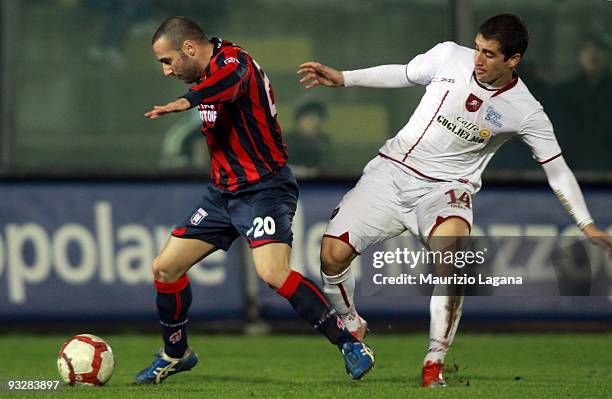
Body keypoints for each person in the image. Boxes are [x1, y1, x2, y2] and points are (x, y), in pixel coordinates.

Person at [297, 13, 612, 387]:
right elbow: (404, 73)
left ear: (513, 60)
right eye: (478, 48)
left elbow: (557, 168)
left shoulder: (526, 110)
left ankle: (434, 363)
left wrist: (586, 223)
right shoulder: (449, 56)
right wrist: (345, 78)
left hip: (445, 189)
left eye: (490, 54)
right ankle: (351, 322)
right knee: (331, 255)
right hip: (391, 172)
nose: (478, 60)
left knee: (452, 258)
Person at [136, 16, 374, 384]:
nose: (166, 71)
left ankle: (349, 343)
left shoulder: (233, 61)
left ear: (188, 48)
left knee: (273, 273)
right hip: (222, 193)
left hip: (265, 188)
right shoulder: (204, 74)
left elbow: (226, 84)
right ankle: (176, 352)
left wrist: (185, 103)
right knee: (165, 269)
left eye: (167, 61)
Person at [553, 35, 612, 171]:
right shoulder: (563, 92)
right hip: (574, 165)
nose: (593, 55)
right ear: (580, 56)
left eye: (599, 50)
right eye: (587, 50)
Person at [284, 98, 333, 173]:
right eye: (310, 117)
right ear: (299, 120)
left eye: (319, 117)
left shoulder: (323, 143)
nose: (316, 122)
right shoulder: (286, 142)